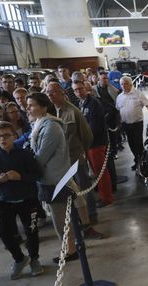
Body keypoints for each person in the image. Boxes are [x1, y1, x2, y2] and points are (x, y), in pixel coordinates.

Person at [0, 121, 42, 279]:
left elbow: (37, 175)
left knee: (32, 231)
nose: (3, 139)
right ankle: (20, 259)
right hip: (4, 200)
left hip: (27, 199)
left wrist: (20, 176)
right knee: (4, 234)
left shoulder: (24, 154)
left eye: (6, 135)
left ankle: (35, 259)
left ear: (14, 136)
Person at [45, 82, 104, 238]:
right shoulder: (48, 113)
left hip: (75, 157)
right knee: (70, 192)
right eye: (47, 93)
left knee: (83, 188)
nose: (50, 95)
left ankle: (90, 218)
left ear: (61, 92)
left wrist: (80, 152)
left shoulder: (73, 111)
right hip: (59, 163)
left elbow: (87, 136)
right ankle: (77, 220)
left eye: (52, 92)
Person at [26, 92, 78, 263]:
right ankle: (71, 246)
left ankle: (70, 250)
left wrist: (25, 167)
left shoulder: (51, 127)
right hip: (49, 178)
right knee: (60, 216)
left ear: (43, 107)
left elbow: (41, 156)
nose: (28, 108)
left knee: (60, 218)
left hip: (55, 179)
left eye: (31, 105)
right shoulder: (39, 123)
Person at [73, 80, 113, 207]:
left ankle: (107, 198)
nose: (79, 92)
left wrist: (83, 137)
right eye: (76, 90)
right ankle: (103, 195)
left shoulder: (94, 103)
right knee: (96, 172)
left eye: (81, 88)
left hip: (96, 143)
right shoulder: (81, 103)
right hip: (88, 144)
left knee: (101, 171)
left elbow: (94, 126)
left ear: (86, 89)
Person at [116, 75, 148, 170]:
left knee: (138, 143)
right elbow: (118, 110)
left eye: (126, 84)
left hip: (137, 123)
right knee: (131, 144)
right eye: (122, 84)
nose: (124, 86)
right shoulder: (119, 97)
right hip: (125, 124)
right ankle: (137, 160)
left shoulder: (138, 94)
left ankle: (142, 162)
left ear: (130, 84)